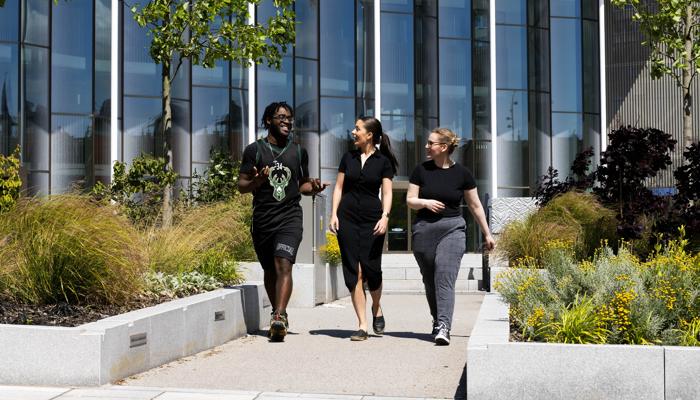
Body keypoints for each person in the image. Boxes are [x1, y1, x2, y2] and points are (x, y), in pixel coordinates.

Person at [238, 101, 327, 342]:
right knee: (270, 269)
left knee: (283, 263)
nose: (287, 121)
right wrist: (257, 182)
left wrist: (314, 187)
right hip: (263, 218)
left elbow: (303, 185)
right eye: (281, 117)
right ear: (268, 120)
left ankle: (279, 315)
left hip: (290, 216)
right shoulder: (254, 150)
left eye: (290, 118)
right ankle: (279, 313)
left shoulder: (299, 152)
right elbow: (241, 186)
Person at [406, 127, 495, 346]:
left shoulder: (462, 174)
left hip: (452, 228)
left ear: (444, 147)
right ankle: (438, 320)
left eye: (431, 143)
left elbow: (475, 205)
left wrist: (487, 233)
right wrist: (425, 202)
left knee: (444, 277)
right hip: (424, 229)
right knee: (430, 280)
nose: (426, 146)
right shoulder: (421, 170)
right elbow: (410, 200)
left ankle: (444, 326)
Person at [329, 116, 398, 341]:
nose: (353, 132)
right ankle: (362, 325)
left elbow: (387, 193)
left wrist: (385, 217)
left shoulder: (383, 161)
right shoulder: (347, 157)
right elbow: (338, 188)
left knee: (372, 270)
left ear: (369, 135)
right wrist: (333, 214)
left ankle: (376, 307)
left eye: (357, 128)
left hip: (372, 220)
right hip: (347, 218)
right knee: (354, 271)